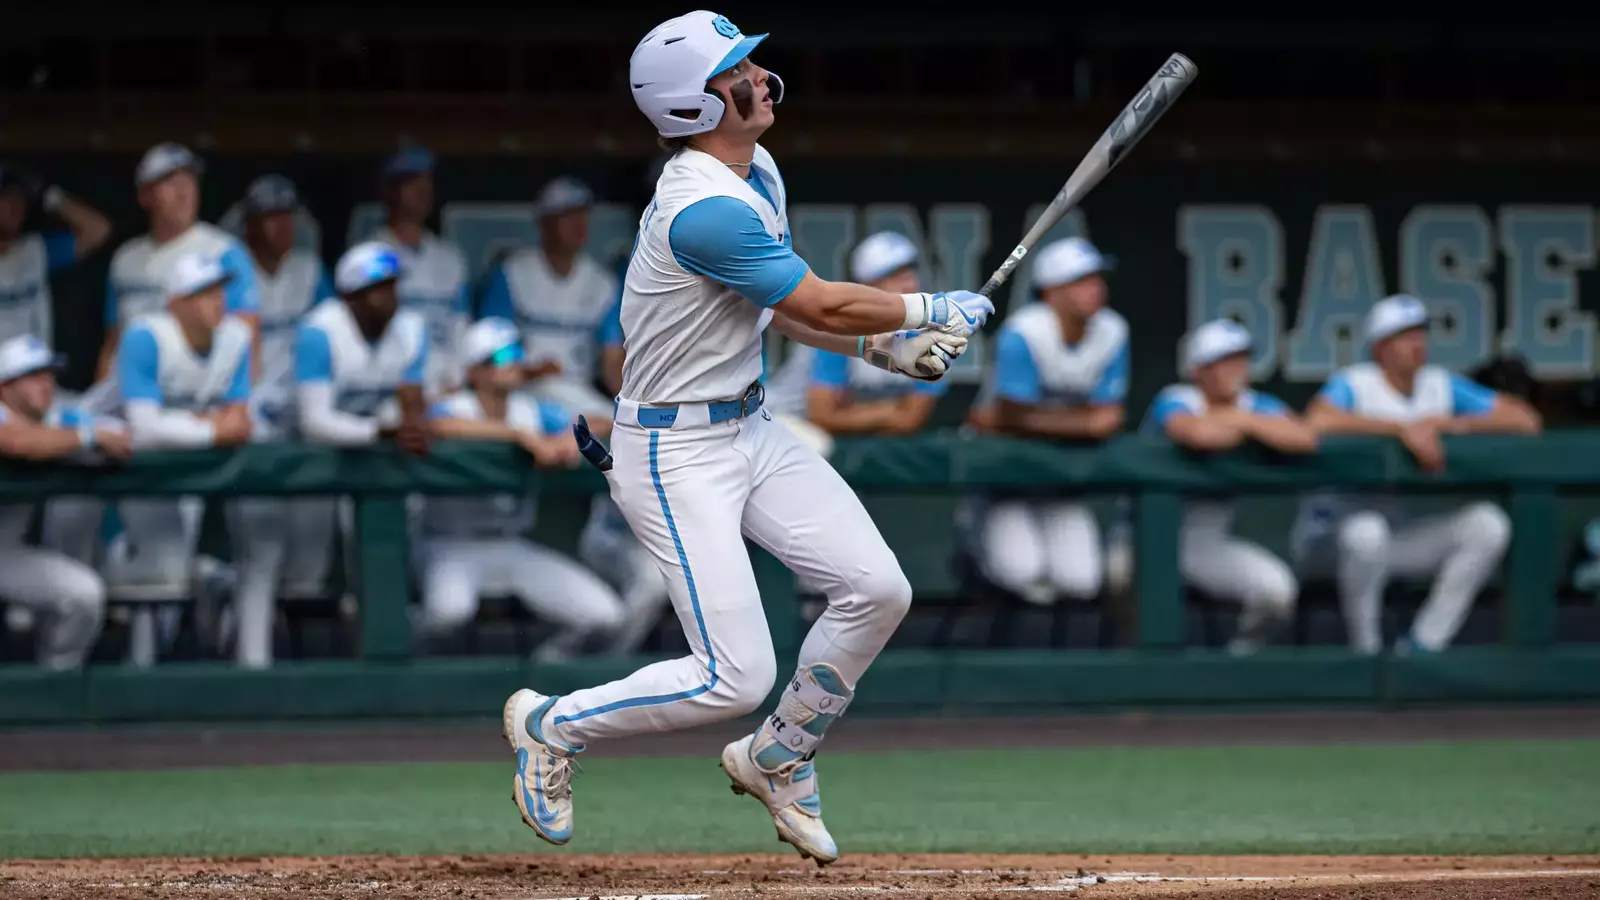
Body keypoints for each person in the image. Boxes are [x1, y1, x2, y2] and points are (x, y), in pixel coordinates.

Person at [499, 10, 989, 866]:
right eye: (737, 69)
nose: (759, 75)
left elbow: (777, 310)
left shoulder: (757, 168)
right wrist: (925, 311)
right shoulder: (702, 209)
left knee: (877, 588)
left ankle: (780, 754)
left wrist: (884, 349)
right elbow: (820, 302)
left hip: (749, 426)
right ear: (693, 106)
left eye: (753, 62)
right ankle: (551, 724)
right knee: (735, 675)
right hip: (671, 454)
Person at [1293, 294, 1541, 654]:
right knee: (1367, 533)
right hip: (1328, 539)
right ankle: (1368, 654)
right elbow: (1317, 420)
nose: (1417, 343)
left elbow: (1525, 420)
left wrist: (1451, 423)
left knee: (1487, 525)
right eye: (1405, 336)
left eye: (1421, 333)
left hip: (1394, 537)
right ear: (1380, 347)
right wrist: (1400, 428)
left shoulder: (1438, 385)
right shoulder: (1356, 383)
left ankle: (1423, 645)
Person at [417, 318, 625, 659]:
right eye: (500, 358)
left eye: (515, 353)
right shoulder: (456, 408)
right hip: (448, 544)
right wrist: (519, 435)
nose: (512, 363)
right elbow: (434, 424)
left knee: (604, 616)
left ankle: (541, 671)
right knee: (447, 614)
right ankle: (411, 668)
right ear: (475, 372)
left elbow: (600, 420)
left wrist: (565, 439)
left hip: (509, 543)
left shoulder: (531, 410)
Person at [1126, 319, 1317, 654]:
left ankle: (1240, 660)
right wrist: (1251, 427)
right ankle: (1131, 676)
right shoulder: (1176, 397)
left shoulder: (1252, 405)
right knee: (1119, 585)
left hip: (1204, 542)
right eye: (1224, 361)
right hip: (1139, 538)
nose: (1236, 369)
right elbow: (1198, 435)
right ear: (1199, 370)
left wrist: (1241, 420)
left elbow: (1305, 437)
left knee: (1277, 590)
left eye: (1240, 359)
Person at [112, 252, 254, 662]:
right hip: (104, 459)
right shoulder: (146, 335)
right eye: (202, 293)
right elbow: (142, 427)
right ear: (175, 302)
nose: (216, 301)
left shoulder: (235, 337)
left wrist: (190, 427)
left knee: (167, 578)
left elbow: (239, 421)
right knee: (145, 569)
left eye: (218, 291)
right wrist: (209, 428)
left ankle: (144, 673)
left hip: (178, 462)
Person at [980, 237, 1127, 605]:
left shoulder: (1113, 331)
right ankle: (974, 542)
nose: (1096, 289)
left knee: (1082, 581)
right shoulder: (1024, 332)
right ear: (1051, 292)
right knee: (1023, 573)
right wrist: (1083, 423)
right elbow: (1011, 417)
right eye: (1081, 281)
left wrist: (1031, 420)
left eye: (1097, 279)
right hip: (1004, 476)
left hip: (1060, 477)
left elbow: (1107, 420)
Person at [0, 334, 128, 669]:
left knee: (84, 594)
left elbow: (117, 433)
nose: (46, 384)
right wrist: (87, 437)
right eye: (33, 376)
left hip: (5, 553)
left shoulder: (53, 419)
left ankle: (54, 686)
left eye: (49, 374)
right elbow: (17, 443)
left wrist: (100, 433)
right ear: (5, 387)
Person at [100, 143, 259, 382]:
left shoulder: (224, 251)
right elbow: (113, 341)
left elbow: (247, 337)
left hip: (192, 394)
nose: (183, 192)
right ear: (145, 196)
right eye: (170, 183)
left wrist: (238, 405)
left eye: (190, 181)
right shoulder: (125, 258)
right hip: (131, 393)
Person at [479, 176, 622, 417]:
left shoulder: (603, 283)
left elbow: (613, 360)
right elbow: (491, 346)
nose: (579, 223)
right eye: (568, 215)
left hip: (579, 391)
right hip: (522, 393)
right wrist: (529, 369)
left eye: (583, 214)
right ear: (543, 222)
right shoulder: (511, 273)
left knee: (611, 421)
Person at [295, 241, 431, 453]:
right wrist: (378, 432)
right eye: (378, 289)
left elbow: (412, 406)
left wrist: (411, 426)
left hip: (381, 451)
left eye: (392, 285)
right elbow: (314, 422)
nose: (390, 297)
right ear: (351, 297)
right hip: (321, 456)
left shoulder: (411, 329)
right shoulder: (319, 331)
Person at [806, 232, 947, 436]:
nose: (909, 284)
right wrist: (885, 412)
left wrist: (853, 415)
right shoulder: (837, 329)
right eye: (894, 278)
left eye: (910, 274)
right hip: (786, 422)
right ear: (867, 287)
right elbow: (820, 417)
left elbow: (910, 420)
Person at [368, 147, 468, 396]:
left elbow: (460, 328)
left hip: (446, 384)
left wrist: (458, 377)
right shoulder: (369, 255)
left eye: (426, 181)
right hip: (390, 384)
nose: (422, 190)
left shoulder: (450, 258)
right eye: (411, 182)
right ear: (388, 191)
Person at [0, 163, 112, 347]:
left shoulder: (36, 250)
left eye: (20, 197)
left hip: (31, 370)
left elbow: (98, 230)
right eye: (5, 198)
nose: (15, 206)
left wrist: (50, 196)